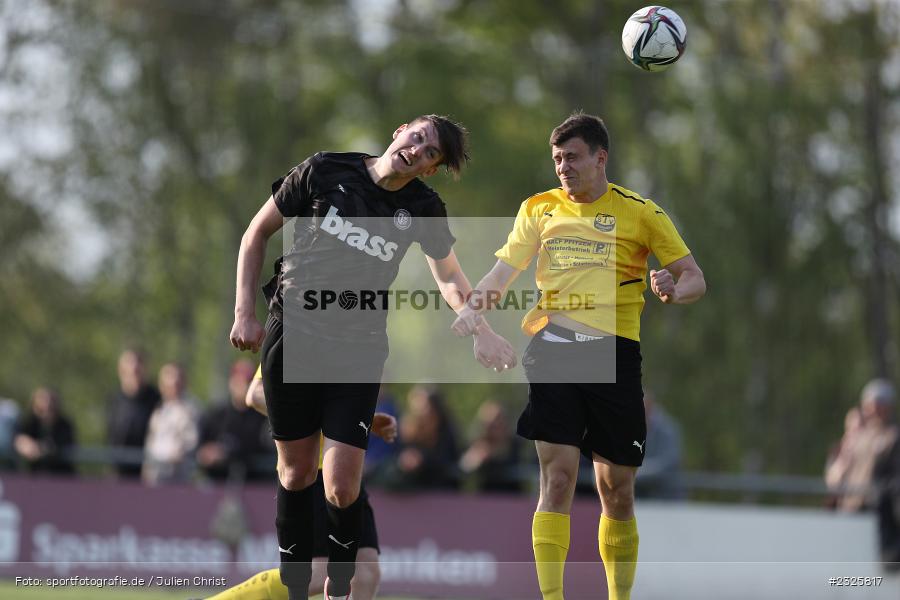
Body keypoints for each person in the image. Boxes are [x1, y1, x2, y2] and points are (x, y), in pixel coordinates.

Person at [229, 115, 515, 600]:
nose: (419, 150)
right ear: (400, 130)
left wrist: (480, 329)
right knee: (296, 474)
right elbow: (256, 233)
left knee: (342, 488)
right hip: (293, 333)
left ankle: (337, 591)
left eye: (431, 154)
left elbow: (448, 276)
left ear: (429, 170)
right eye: (418, 137)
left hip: (358, 348)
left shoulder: (423, 207)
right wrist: (244, 314)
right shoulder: (324, 170)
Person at [452, 112, 705, 600]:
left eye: (572, 157)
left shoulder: (641, 212)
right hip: (553, 349)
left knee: (617, 492)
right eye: (556, 160)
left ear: (600, 158)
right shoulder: (539, 209)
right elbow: (501, 273)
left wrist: (674, 288)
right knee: (559, 476)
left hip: (615, 358)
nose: (563, 168)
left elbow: (694, 277)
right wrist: (472, 311)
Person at [206, 370, 397, 600]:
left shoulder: (352, 343)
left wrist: (359, 421)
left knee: (365, 571)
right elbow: (255, 395)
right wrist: (331, 422)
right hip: (310, 471)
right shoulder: (296, 337)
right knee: (318, 572)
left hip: (345, 471)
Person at [196, 359, 273, 482]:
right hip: (217, 481)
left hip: (254, 482)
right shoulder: (217, 415)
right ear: (231, 382)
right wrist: (209, 453)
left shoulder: (263, 416)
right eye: (241, 381)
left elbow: (263, 448)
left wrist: (228, 453)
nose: (245, 386)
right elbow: (201, 449)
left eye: (249, 382)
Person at [142, 362, 200, 485]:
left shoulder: (190, 409)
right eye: (168, 383)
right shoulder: (158, 411)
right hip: (156, 477)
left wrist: (175, 455)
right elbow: (151, 442)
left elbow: (190, 442)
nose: (172, 386)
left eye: (176, 383)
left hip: (178, 478)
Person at [107, 348, 161, 477]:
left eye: (138, 366)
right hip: (119, 473)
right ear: (121, 370)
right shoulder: (115, 400)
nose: (134, 370)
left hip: (148, 472)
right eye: (129, 366)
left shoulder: (156, 399)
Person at [459, 400, 522, 493]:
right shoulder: (478, 446)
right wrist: (474, 459)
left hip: (512, 498)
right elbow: (464, 467)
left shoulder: (516, 445)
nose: (496, 425)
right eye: (492, 422)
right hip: (486, 499)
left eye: (499, 419)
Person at [13, 387, 76, 474]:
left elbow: (59, 444)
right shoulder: (30, 422)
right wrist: (24, 444)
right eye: (43, 400)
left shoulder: (64, 424)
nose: (47, 405)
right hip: (34, 474)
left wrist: (39, 449)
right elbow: (20, 439)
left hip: (61, 475)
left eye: (50, 402)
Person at [634, 391, 684, 500]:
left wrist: (639, 471)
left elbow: (669, 462)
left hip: (666, 498)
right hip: (639, 497)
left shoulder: (668, 429)